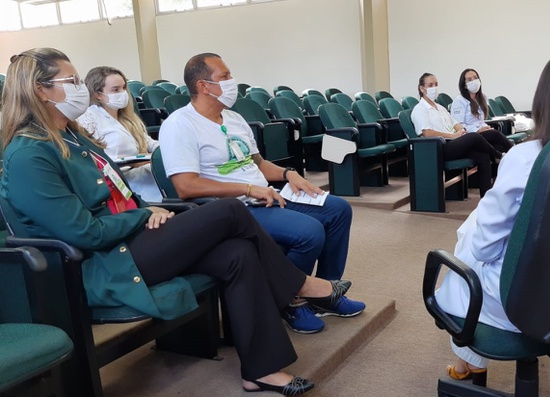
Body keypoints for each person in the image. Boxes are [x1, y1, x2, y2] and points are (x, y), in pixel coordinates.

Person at [0, 47, 361, 396]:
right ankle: (301, 286)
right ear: (39, 90)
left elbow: (122, 194)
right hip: (104, 264)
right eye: (72, 80)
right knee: (232, 211)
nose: (80, 87)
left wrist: (148, 210)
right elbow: (83, 232)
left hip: (130, 241)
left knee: (237, 253)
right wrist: (144, 214)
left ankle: (260, 370)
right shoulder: (29, 153)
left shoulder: (73, 136)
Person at [434, 46, 550, 379]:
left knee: (470, 247)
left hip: (527, 299)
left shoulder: (526, 158)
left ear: (546, 98)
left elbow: (484, 248)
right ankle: (469, 360)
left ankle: (470, 359)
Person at [158, 53, 364, 334]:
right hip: (233, 209)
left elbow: (258, 163)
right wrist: (247, 188)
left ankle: (327, 292)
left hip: (264, 195)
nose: (233, 81)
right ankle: (292, 300)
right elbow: (186, 186)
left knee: (339, 209)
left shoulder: (233, 118)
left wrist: (288, 174)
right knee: (309, 231)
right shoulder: (179, 124)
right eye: (225, 76)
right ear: (204, 86)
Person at [77, 66, 163, 203]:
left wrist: (169, 149)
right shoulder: (89, 117)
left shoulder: (127, 118)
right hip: (120, 180)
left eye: (124, 88)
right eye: (115, 90)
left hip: (143, 170)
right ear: (98, 94)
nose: (123, 93)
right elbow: (91, 157)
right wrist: (140, 162)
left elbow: (149, 143)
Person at [410, 72, 503, 197]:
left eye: (436, 84)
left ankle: (486, 198)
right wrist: (453, 136)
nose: (434, 88)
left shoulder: (440, 107)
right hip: (439, 147)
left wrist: (460, 131)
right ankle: (499, 155)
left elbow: (455, 123)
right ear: (422, 89)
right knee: (474, 136)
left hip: (454, 143)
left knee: (482, 156)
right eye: (430, 85)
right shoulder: (419, 109)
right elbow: (427, 133)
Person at [451, 68, 513, 154]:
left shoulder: (482, 98)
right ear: (464, 85)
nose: (474, 81)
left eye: (475, 78)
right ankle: (517, 152)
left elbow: (480, 121)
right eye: (469, 80)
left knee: (499, 147)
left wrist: (486, 127)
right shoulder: (459, 100)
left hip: (481, 133)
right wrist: (478, 130)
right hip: (469, 135)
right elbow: (458, 125)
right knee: (495, 134)